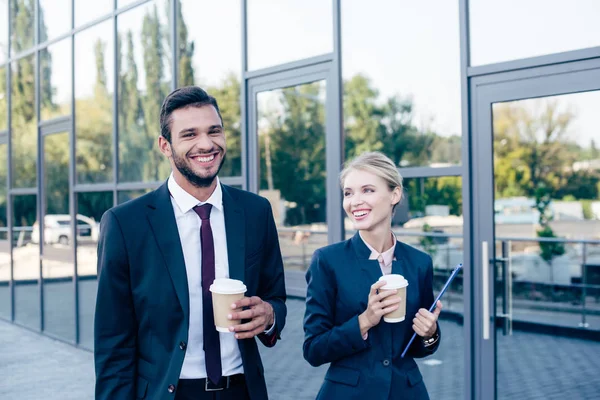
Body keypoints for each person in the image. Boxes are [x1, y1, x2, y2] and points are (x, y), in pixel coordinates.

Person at [94, 86, 287, 400]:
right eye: (189, 134)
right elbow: (112, 344)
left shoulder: (256, 212)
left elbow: (275, 295)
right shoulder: (125, 225)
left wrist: (270, 316)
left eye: (214, 131)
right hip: (168, 393)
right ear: (165, 146)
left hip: (242, 391)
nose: (206, 144)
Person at [303, 151, 442, 400]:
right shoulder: (328, 261)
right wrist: (364, 320)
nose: (355, 201)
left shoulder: (420, 263)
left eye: (367, 190)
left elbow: (420, 348)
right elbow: (313, 349)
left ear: (394, 194)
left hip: (407, 393)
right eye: (348, 192)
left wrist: (430, 334)